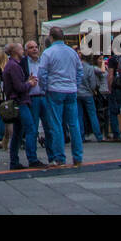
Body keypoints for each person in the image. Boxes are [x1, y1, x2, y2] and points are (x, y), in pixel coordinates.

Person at [38, 27, 83, 167]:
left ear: (51, 37)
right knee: (74, 124)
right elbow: (80, 72)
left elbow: (42, 74)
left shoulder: (48, 53)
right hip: (71, 90)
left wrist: (45, 88)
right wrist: (75, 84)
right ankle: (77, 157)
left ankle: (60, 158)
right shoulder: (72, 52)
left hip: (55, 90)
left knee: (56, 125)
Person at [2, 43, 39, 169]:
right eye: (21, 48)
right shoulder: (14, 66)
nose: (23, 50)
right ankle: (32, 159)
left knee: (17, 133)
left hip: (15, 103)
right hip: (20, 102)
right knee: (31, 129)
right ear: (14, 51)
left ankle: (14, 161)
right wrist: (30, 83)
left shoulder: (11, 65)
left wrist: (27, 81)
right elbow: (19, 88)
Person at [76, 54, 104, 144]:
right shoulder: (90, 68)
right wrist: (92, 90)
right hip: (88, 94)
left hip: (77, 93)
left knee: (79, 115)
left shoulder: (76, 67)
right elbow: (92, 83)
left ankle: (81, 136)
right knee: (92, 114)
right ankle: (98, 135)